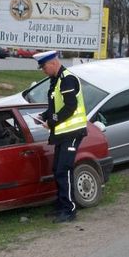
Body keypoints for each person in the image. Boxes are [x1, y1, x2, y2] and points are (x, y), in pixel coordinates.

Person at [33, 50, 88, 223]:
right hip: (62, 133)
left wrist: (51, 122)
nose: (43, 70)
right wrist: (44, 116)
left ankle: (69, 209)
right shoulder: (55, 80)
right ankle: (61, 205)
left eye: (43, 67)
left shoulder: (67, 79)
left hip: (72, 132)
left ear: (53, 63)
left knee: (64, 169)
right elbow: (55, 106)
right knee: (57, 169)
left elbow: (70, 107)